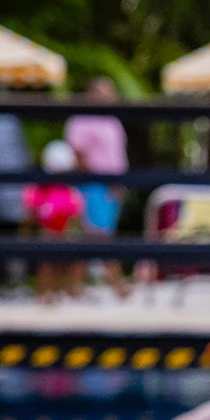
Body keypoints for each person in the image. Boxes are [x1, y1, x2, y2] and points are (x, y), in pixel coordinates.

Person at [64, 78, 131, 297]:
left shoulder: (111, 120)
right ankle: (117, 283)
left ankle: (75, 286)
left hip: (112, 186)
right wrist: (102, 179)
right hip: (94, 184)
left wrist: (119, 182)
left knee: (93, 236)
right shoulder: (82, 120)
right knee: (100, 235)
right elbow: (77, 153)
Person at [23, 140, 85, 303]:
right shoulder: (41, 189)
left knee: (68, 253)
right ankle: (46, 292)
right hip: (46, 233)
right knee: (48, 257)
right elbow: (30, 216)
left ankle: (65, 290)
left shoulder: (68, 191)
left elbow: (76, 217)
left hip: (63, 233)